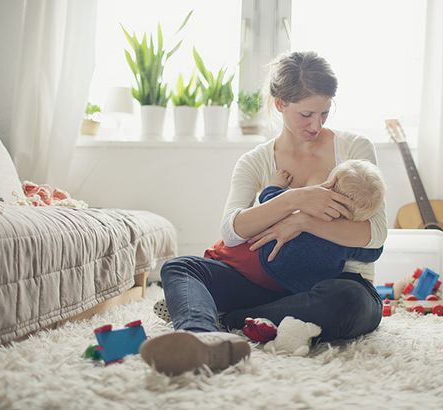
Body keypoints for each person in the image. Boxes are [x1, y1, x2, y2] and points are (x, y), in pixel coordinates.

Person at [140, 51, 388, 377]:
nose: (316, 124)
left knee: (350, 303)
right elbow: (232, 230)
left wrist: (304, 221)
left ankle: (230, 318)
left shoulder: (355, 148)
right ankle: (200, 338)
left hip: (335, 285)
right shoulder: (255, 161)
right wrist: (293, 199)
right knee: (180, 267)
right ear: (280, 104)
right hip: (265, 282)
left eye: (325, 113)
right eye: (306, 114)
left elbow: (377, 234)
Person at [203, 159, 386, 294]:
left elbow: (269, 199)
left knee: (218, 257)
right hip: (300, 289)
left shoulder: (309, 206)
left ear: (329, 187)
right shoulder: (346, 240)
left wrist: (275, 185)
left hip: (267, 263)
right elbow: (373, 252)